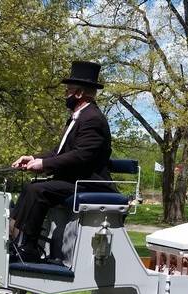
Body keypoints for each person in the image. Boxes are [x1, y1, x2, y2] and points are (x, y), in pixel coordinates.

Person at [10, 60, 115, 262]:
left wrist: (43, 165)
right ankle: (18, 240)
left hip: (89, 184)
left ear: (78, 93)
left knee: (37, 191)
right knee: (29, 188)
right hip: (74, 181)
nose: (65, 94)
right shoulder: (78, 117)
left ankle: (29, 248)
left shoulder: (92, 119)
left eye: (68, 90)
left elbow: (81, 156)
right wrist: (35, 159)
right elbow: (60, 152)